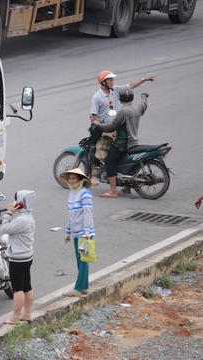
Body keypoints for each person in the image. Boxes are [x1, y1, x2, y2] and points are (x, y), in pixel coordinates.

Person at [89, 70, 156, 186]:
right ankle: (91, 176)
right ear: (103, 82)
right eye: (110, 80)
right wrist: (99, 126)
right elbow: (94, 117)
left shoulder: (115, 90)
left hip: (115, 127)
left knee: (112, 155)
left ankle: (120, 182)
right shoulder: (97, 97)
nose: (112, 82)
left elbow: (130, 86)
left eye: (112, 80)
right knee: (94, 151)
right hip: (103, 128)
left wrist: (144, 79)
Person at [92, 87, 149, 198]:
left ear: (120, 99)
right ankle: (127, 187)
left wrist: (99, 125)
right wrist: (144, 95)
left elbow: (112, 126)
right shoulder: (137, 108)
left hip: (123, 143)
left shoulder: (123, 111)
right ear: (132, 97)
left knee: (109, 161)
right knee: (123, 162)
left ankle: (113, 191)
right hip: (134, 142)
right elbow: (144, 105)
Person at [1, 190, 36, 325]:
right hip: (27, 256)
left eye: (17, 200)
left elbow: (4, 228)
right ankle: (26, 314)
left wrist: (9, 213)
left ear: (22, 203)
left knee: (17, 289)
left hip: (18, 258)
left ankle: (15, 317)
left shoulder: (21, 220)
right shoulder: (29, 217)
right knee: (27, 286)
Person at [60, 168, 95, 298]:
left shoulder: (85, 194)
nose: (71, 181)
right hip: (75, 232)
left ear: (80, 180)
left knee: (82, 260)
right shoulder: (72, 194)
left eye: (74, 179)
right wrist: (67, 231)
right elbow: (71, 215)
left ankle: (78, 288)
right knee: (80, 260)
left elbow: (87, 213)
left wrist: (87, 231)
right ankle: (84, 286)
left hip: (83, 233)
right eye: (70, 179)